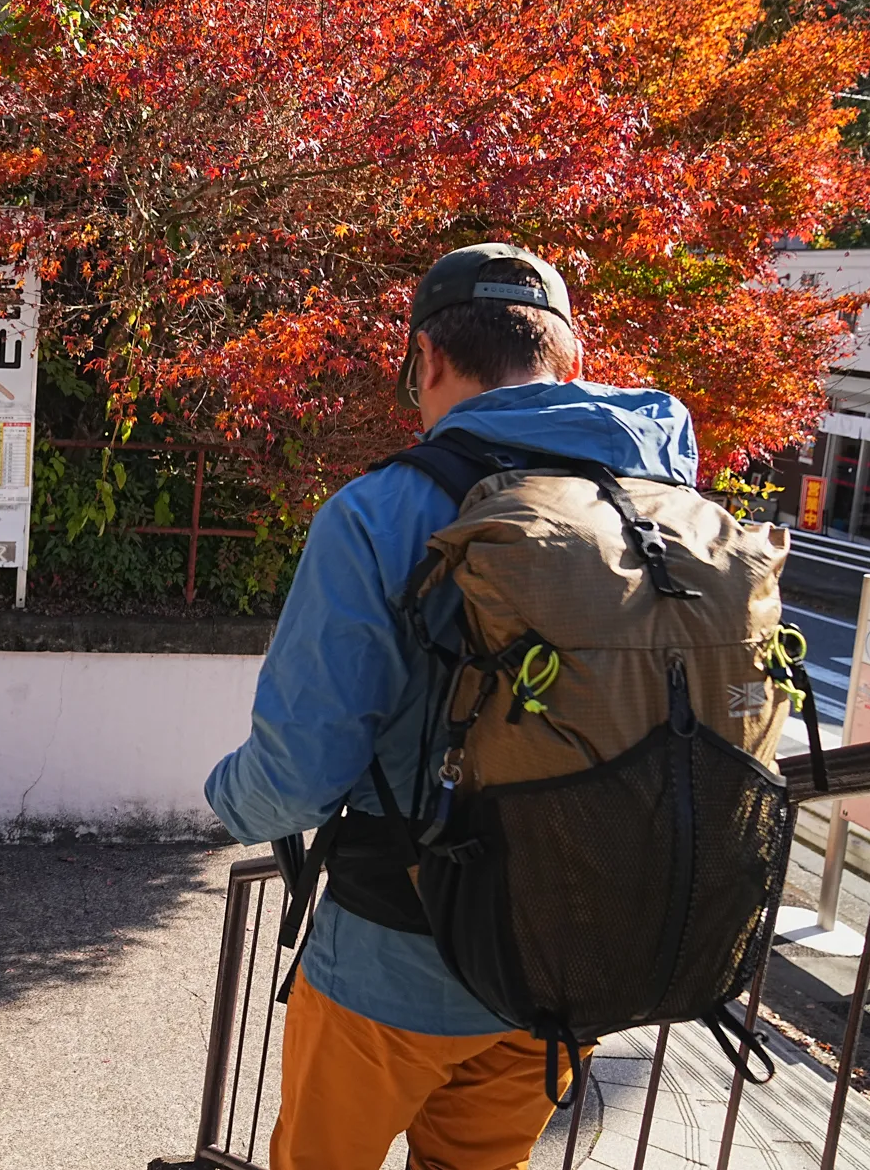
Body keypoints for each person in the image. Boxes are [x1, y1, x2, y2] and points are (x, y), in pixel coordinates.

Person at [202, 242, 700, 1170]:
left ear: (427, 359)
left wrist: (225, 796)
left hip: (397, 959)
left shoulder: (379, 513)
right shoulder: (665, 508)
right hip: (578, 956)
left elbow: (297, 777)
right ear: (572, 363)